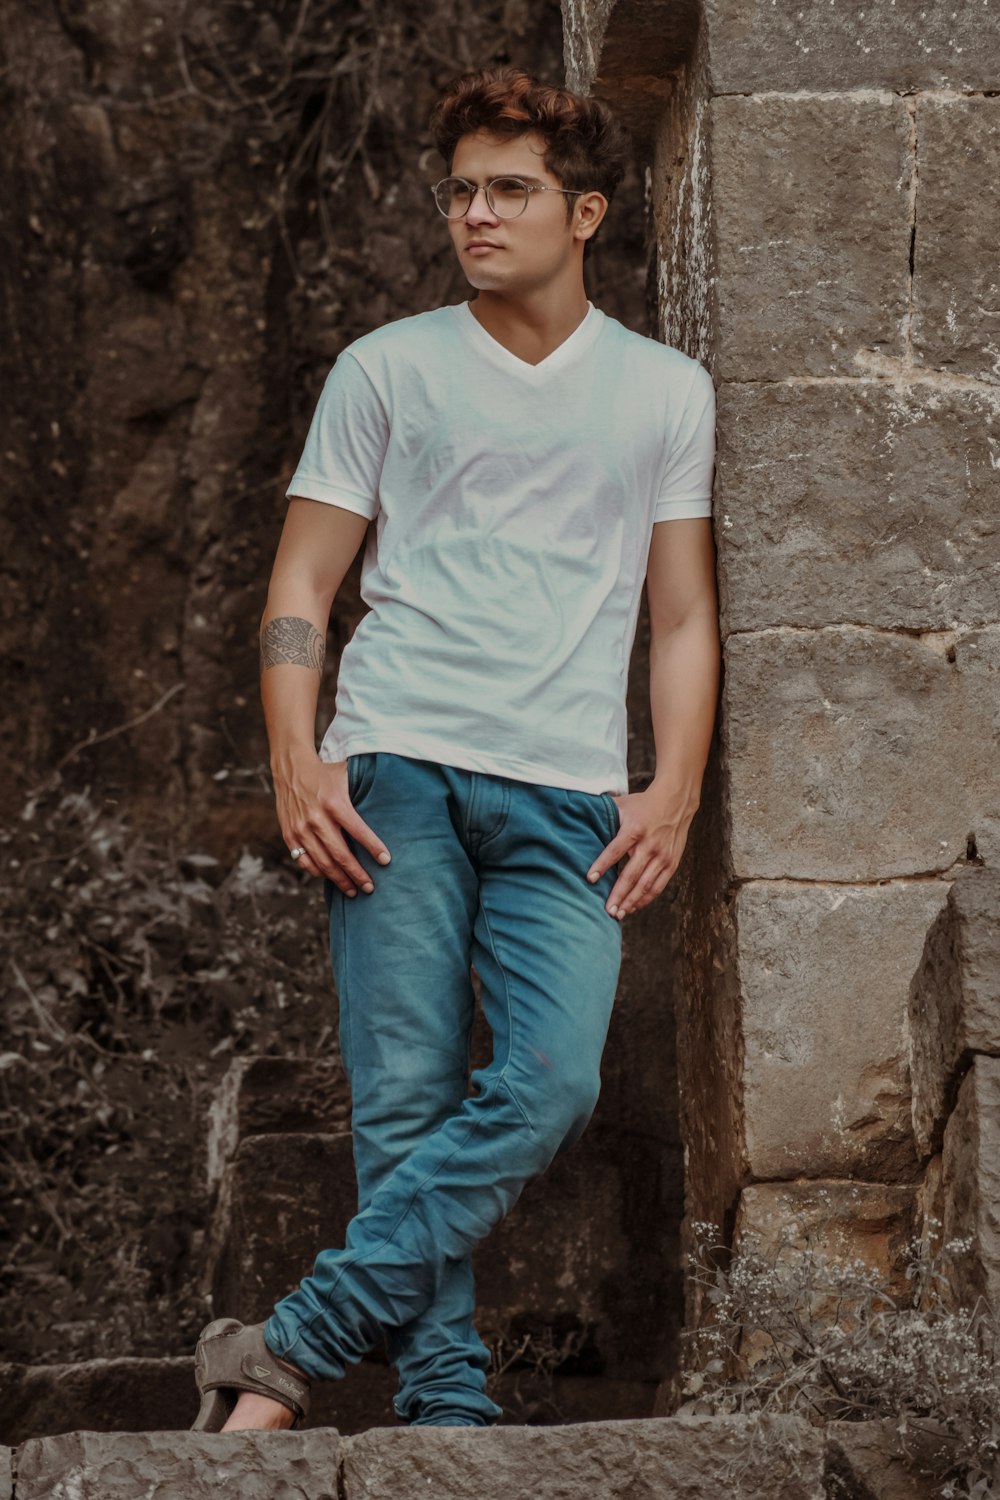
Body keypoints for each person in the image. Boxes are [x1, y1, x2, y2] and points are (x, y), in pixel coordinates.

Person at [191, 63, 719, 1435]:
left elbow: (680, 616)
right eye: (462, 192)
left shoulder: (665, 393)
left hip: (565, 792)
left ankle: (287, 1347)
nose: (477, 215)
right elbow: (302, 586)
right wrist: (298, 762)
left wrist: (675, 787)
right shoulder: (388, 369)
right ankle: (442, 1403)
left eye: (511, 191)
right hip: (394, 771)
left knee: (550, 1082)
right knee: (408, 1096)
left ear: (585, 211)